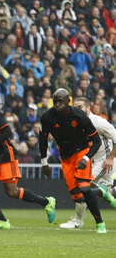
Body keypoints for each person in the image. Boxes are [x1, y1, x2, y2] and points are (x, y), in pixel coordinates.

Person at [39, 89, 109, 233]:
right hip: (65, 157)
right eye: (55, 101)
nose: (57, 104)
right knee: (77, 195)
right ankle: (100, 194)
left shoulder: (79, 116)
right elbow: (42, 139)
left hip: (82, 151)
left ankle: (100, 223)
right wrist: (44, 162)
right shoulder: (47, 117)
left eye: (60, 102)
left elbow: (96, 141)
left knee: (84, 187)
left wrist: (86, 157)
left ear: (68, 102)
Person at [0, 105, 56, 230]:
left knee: (11, 192)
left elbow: (7, 131)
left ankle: (47, 202)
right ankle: (2, 220)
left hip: (6, 156)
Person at [59, 97, 116, 229]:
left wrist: (110, 158)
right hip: (91, 160)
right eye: (75, 107)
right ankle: (107, 192)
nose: (76, 110)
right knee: (99, 191)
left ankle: (78, 221)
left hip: (104, 161)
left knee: (83, 186)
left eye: (80, 107)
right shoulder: (75, 122)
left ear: (88, 108)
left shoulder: (98, 122)